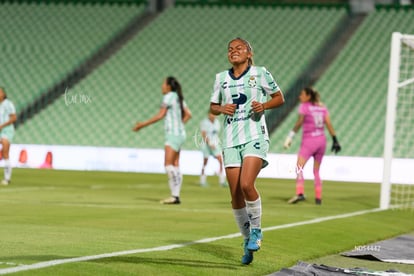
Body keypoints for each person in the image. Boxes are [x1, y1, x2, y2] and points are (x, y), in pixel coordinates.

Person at [210, 37, 285, 265]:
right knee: (234, 195)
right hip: (230, 140)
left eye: (239, 48)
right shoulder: (221, 78)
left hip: (255, 136)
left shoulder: (260, 73)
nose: (234, 51)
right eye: (230, 49)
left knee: (246, 185)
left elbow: (279, 97)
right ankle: (246, 240)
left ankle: (257, 231)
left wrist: (263, 105)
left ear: (249, 53)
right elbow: (213, 107)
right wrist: (222, 108)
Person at [133, 77, 192, 204]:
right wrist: (180, 125)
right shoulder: (178, 97)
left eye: (163, 84)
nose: (162, 86)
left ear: (168, 86)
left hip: (172, 134)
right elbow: (188, 114)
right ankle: (175, 196)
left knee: (168, 165)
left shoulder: (169, 96)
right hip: (181, 134)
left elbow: (160, 115)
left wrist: (142, 125)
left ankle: (174, 196)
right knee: (175, 164)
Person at [283, 87, 341, 205]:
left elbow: (299, 122)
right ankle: (318, 199)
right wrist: (335, 140)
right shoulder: (322, 107)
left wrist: (290, 136)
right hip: (322, 141)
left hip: (309, 141)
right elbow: (328, 123)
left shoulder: (304, 107)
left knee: (299, 167)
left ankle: (300, 193)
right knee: (316, 171)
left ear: (308, 96)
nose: (300, 96)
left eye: (302, 94)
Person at [199, 111, 226, 187]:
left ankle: (222, 181)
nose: (213, 116)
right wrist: (210, 143)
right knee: (205, 162)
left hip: (215, 145)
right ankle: (202, 181)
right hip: (206, 145)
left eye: (214, 114)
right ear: (208, 114)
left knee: (221, 161)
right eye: (211, 114)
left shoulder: (217, 122)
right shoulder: (204, 122)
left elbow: (216, 134)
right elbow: (204, 134)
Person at [0, 87, 17, 186]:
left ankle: (7, 178)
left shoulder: (8, 104)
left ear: (3, 94)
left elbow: (14, 117)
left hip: (6, 130)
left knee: (5, 152)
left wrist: (2, 125)